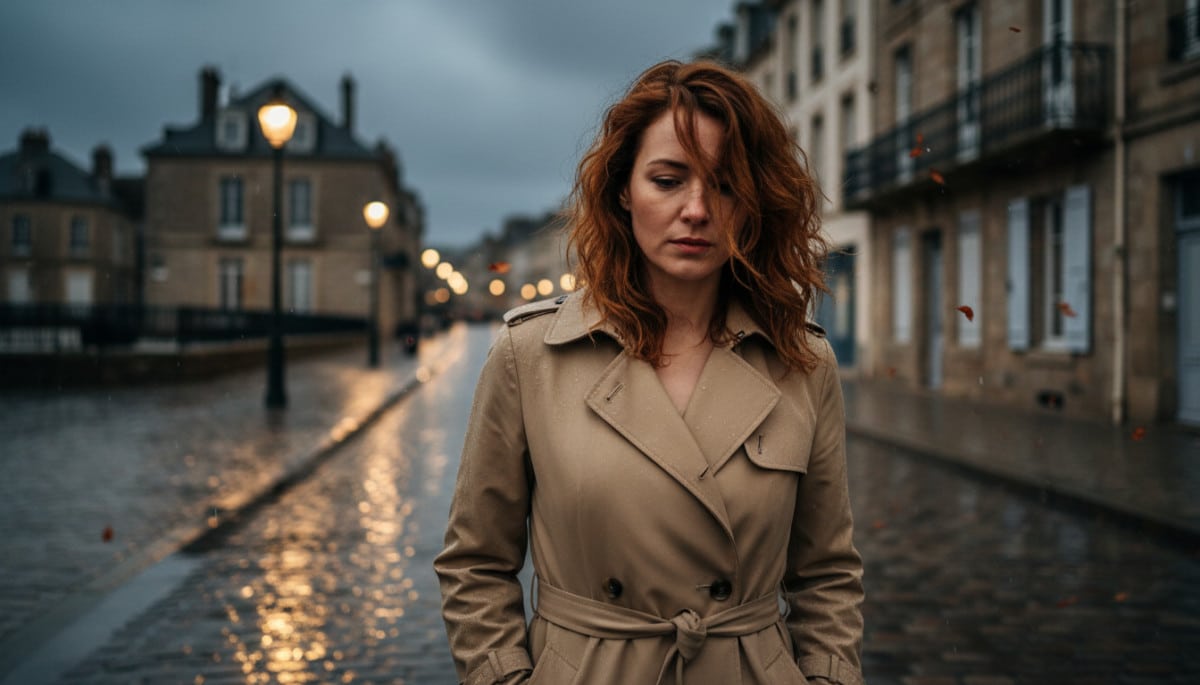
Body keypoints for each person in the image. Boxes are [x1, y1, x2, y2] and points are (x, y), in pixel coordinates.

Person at [435, 59, 864, 685]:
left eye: (725, 186)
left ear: (753, 205)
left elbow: (827, 574)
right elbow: (475, 563)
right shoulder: (531, 355)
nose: (697, 210)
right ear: (623, 191)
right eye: (667, 180)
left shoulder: (801, 361)